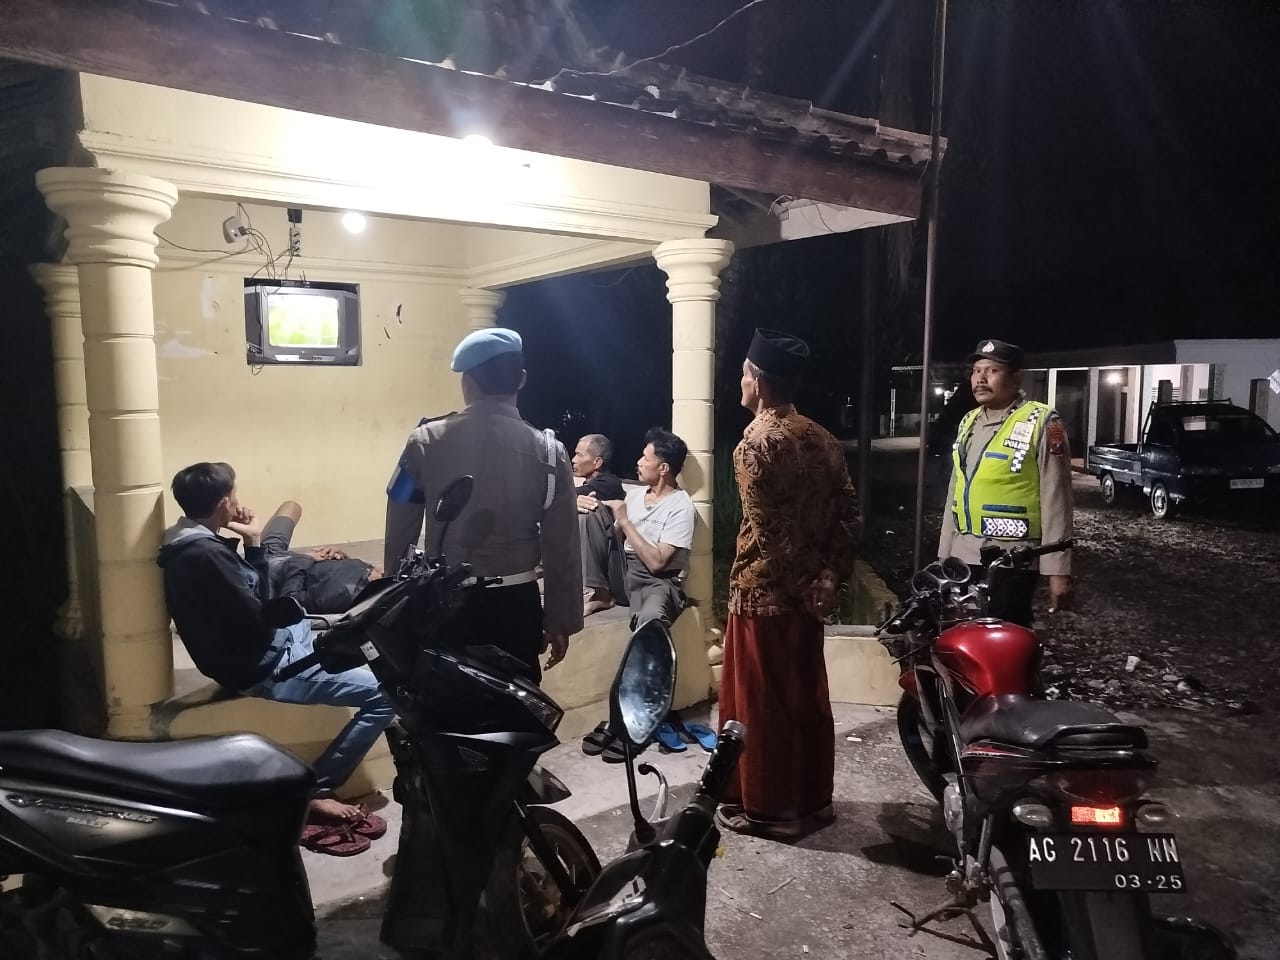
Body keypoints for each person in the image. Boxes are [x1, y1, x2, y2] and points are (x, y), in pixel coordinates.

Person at [158, 462, 395, 824]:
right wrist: (266, 556)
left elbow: (251, 600)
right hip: (264, 667)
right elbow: (261, 615)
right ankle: (316, 790)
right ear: (224, 503)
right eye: (234, 495)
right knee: (385, 695)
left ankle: (324, 657)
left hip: (259, 647)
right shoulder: (206, 555)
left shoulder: (188, 541)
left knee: (324, 625)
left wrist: (253, 542)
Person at [716, 328, 860, 842]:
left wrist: (801, 585)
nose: (740, 382)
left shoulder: (754, 445)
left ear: (757, 382)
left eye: (743, 375)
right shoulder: (822, 437)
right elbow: (848, 514)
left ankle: (767, 808)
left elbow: (770, 533)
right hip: (809, 597)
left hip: (764, 595)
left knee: (760, 705)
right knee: (805, 698)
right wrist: (828, 579)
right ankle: (813, 802)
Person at [383, 327, 582, 680]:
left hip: (446, 601)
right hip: (517, 605)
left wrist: (394, 601)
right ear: (521, 380)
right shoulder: (552, 453)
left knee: (447, 698)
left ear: (467, 383)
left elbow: (400, 520)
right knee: (516, 701)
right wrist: (559, 619)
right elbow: (562, 545)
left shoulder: (424, 441)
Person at [938, 338, 1074, 626]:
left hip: (1013, 558)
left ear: (1016, 378)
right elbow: (956, 489)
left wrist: (1057, 570)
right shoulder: (969, 421)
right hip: (964, 555)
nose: (980, 379)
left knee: (1003, 636)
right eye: (976, 371)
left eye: (992, 370)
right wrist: (944, 554)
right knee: (962, 634)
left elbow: (1056, 498)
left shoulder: (1041, 421)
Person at [581, 428, 696, 629]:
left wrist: (625, 521)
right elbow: (614, 541)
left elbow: (657, 563)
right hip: (623, 571)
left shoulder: (681, 507)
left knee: (652, 620)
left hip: (656, 581)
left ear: (663, 468)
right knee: (592, 509)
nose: (639, 462)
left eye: (645, 458)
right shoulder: (634, 496)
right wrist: (589, 506)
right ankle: (600, 593)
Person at [259, 499, 383, 614]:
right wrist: (341, 556)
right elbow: (342, 572)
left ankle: (256, 550)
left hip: (270, 569)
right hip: (285, 556)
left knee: (257, 535)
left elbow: (289, 601)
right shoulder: (368, 572)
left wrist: (305, 559)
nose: (381, 565)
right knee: (291, 506)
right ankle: (259, 546)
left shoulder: (342, 593)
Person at [572, 433, 626, 511]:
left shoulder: (608, 485)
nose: (573, 460)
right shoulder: (593, 482)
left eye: (579, 455)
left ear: (597, 462)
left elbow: (565, 495)